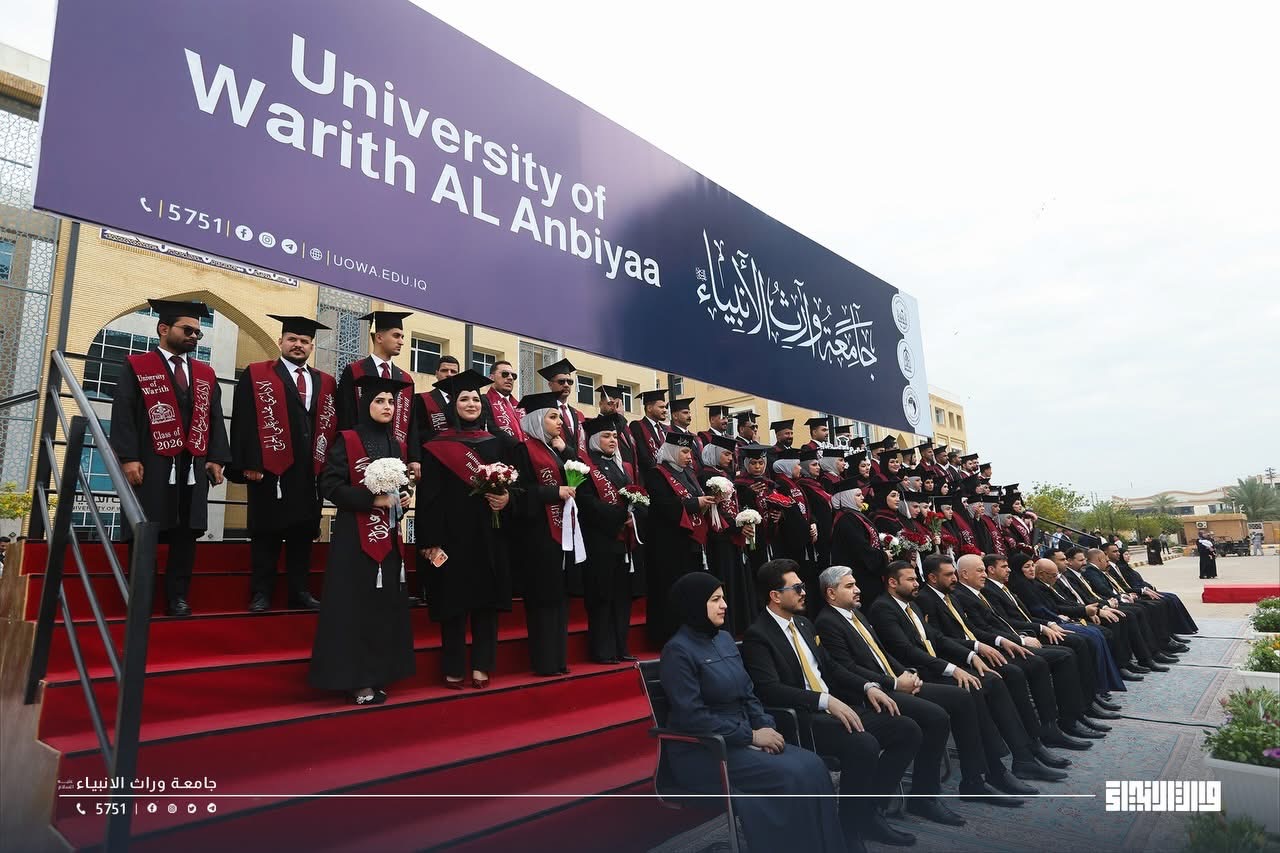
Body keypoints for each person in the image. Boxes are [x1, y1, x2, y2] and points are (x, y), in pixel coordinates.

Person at [658, 572, 847, 853]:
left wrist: (765, 726)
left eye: (723, 598)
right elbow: (692, 716)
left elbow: (749, 694)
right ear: (694, 604)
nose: (724, 605)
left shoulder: (724, 639)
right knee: (792, 775)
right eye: (715, 600)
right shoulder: (677, 651)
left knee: (813, 766)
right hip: (706, 750)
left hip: (742, 737)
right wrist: (751, 736)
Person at [741, 559, 922, 848]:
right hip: (802, 719)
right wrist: (825, 700)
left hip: (834, 708)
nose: (804, 592)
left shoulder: (803, 624)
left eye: (803, 586)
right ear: (775, 595)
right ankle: (850, 829)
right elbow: (770, 690)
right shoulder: (758, 635)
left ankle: (869, 813)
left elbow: (832, 667)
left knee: (906, 730)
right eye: (796, 588)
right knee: (864, 744)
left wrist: (868, 686)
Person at [868, 562, 1050, 799]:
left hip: (933, 667)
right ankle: (986, 773)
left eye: (915, 579)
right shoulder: (883, 608)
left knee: (991, 680)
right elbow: (905, 650)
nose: (916, 584)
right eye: (911, 580)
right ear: (893, 583)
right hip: (915, 674)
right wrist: (952, 669)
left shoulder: (909, 604)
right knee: (972, 689)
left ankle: (1022, 756)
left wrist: (971, 654)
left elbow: (937, 638)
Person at [109, 298, 230, 616]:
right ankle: (141, 595)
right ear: (163, 328)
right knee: (146, 527)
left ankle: (178, 597)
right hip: (151, 462)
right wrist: (128, 457)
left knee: (186, 533)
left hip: (193, 464)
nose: (194, 336)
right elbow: (123, 413)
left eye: (198, 333)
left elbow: (215, 417)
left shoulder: (205, 373)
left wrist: (216, 458)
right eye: (187, 330)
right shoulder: (138, 366)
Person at [309, 374, 415, 705]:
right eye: (380, 401)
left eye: (391, 402)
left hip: (388, 539)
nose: (387, 407)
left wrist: (404, 497)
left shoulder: (396, 444)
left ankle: (379, 673)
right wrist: (372, 500)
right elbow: (330, 485)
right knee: (355, 607)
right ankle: (355, 679)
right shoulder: (348, 439)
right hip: (354, 540)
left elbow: (399, 488)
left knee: (383, 607)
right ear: (366, 404)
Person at [415, 370, 514, 689]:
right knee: (452, 603)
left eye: (475, 399)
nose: (471, 404)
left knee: (486, 604)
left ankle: (482, 665)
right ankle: (454, 665)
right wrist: (429, 540)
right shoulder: (436, 445)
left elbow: (518, 485)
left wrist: (506, 499)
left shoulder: (498, 443)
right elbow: (428, 498)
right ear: (452, 406)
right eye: (464, 399)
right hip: (450, 536)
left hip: (489, 533)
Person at [230, 314, 334, 613]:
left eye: (304, 341)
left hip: (309, 470)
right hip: (269, 467)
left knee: (303, 533)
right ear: (281, 342)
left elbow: (331, 425)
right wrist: (249, 463)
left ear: (311, 346)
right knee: (266, 532)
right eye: (292, 339)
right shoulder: (257, 373)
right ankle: (261, 593)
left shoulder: (325, 381)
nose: (298, 345)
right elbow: (243, 420)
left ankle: (299, 592)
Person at [510, 391, 580, 676]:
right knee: (542, 600)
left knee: (559, 599)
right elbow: (518, 493)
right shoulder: (522, 450)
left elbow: (578, 475)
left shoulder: (554, 451)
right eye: (553, 417)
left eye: (560, 417)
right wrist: (554, 492)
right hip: (537, 536)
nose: (559, 422)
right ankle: (544, 661)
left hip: (559, 534)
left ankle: (558, 659)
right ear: (537, 420)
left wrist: (566, 451)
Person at [577, 415, 644, 663]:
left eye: (615, 436)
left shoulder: (621, 466)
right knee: (601, 597)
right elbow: (587, 503)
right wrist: (620, 516)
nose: (613, 440)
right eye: (606, 436)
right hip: (600, 540)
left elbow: (637, 497)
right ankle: (602, 650)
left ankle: (621, 647)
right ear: (595, 439)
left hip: (623, 542)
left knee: (621, 599)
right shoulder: (585, 466)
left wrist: (635, 516)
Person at [645, 432, 716, 644]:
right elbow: (664, 506)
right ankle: (667, 636)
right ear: (673, 451)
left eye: (690, 452)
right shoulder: (656, 474)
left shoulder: (689, 474)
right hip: (668, 544)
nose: (689, 456)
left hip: (690, 542)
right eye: (684, 452)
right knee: (670, 590)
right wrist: (696, 503)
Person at [335, 310, 420, 481]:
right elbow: (345, 414)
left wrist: (414, 457)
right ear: (379, 337)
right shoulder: (355, 371)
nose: (401, 342)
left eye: (402, 337)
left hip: (395, 454)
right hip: (361, 453)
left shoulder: (405, 379)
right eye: (396, 336)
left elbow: (411, 421)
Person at [698, 435, 754, 635]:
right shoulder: (706, 476)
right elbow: (716, 509)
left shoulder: (725, 474)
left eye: (732, 455)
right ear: (714, 453)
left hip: (732, 533)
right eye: (726, 454)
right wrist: (736, 526)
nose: (730, 458)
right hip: (719, 537)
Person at [828, 479, 888, 606]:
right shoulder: (847, 519)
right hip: (860, 576)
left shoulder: (854, 515)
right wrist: (883, 556)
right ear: (847, 497)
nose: (862, 497)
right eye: (858, 495)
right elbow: (860, 548)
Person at [538, 358, 588, 462]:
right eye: (561, 381)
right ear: (550, 384)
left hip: (578, 466)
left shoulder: (579, 415)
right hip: (555, 464)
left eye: (569, 382)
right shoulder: (543, 412)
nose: (566, 385)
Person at [412, 354, 463, 444]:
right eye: (444, 370)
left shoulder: (465, 402)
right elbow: (415, 434)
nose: (449, 374)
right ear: (436, 373)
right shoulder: (421, 400)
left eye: (453, 371)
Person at [629, 388, 669, 470]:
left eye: (665, 407)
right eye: (661, 407)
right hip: (650, 473)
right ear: (649, 408)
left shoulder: (666, 429)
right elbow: (643, 456)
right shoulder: (637, 426)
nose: (665, 410)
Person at [485, 359, 524, 441]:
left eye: (513, 376)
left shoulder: (520, 406)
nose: (510, 378)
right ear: (491, 377)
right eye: (505, 374)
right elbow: (491, 429)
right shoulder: (484, 401)